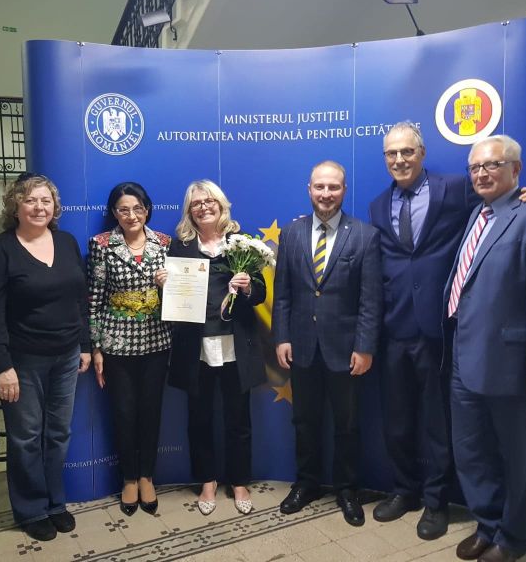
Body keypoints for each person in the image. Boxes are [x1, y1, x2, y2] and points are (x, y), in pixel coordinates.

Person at [368, 122, 526, 540]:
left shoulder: (455, 187)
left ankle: (436, 501)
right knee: (397, 421)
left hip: (441, 329)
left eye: (407, 152)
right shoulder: (378, 205)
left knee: (438, 424)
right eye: (392, 153)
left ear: (422, 153)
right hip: (394, 328)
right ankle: (404, 490)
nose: (400, 160)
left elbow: (500, 202)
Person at [446, 136, 526, 562]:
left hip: (513, 364)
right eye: (475, 167)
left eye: (492, 165)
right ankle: (487, 525)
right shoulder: (477, 214)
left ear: (516, 170)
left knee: (517, 458)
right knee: (472, 451)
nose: (481, 173)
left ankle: (513, 539)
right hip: (464, 357)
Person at [0, 173, 91, 542]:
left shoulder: (67, 242)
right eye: (30, 200)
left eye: (45, 200)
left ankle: (55, 503)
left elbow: (80, 299)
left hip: (67, 356)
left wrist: (85, 344)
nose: (39, 207)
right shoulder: (0, 250)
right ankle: (31, 509)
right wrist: (2, 366)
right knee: (26, 437)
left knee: (58, 433)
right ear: (15, 206)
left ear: (55, 206)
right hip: (22, 362)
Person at [272, 160, 382, 527]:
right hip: (302, 346)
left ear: (344, 190)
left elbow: (370, 300)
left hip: (347, 350)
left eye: (333, 187)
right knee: (305, 421)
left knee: (347, 424)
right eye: (319, 186)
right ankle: (307, 483)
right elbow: (283, 293)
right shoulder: (291, 233)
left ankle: (347, 489)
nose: (326, 193)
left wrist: (365, 346)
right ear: (309, 189)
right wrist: (282, 337)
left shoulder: (364, 235)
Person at [156, 180, 267, 516]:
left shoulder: (241, 242)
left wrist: (247, 287)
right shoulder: (180, 247)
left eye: (209, 201)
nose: (203, 207)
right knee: (199, 417)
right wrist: (163, 286)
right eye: (196, 203)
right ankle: (206, 481)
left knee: (239, 418)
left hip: (235, 343)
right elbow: (173, 302)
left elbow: (259, 294)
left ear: (221, 204)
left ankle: (239, 481)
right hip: (196, 347)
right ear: (189, 211)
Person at [87, 182, 171, 516]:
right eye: (123, 209)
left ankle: (147, 476)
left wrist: (168, 286)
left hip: (156, 340)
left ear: (147, 210)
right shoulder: (101, 245)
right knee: (123, 413)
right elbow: (94, 299)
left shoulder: (165, 243)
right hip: (116, 344)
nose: (131, 215)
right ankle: (129, 478)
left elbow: (180, 297)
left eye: (137, 208)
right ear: (114, 213)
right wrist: (96, 347)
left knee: (151, 411)